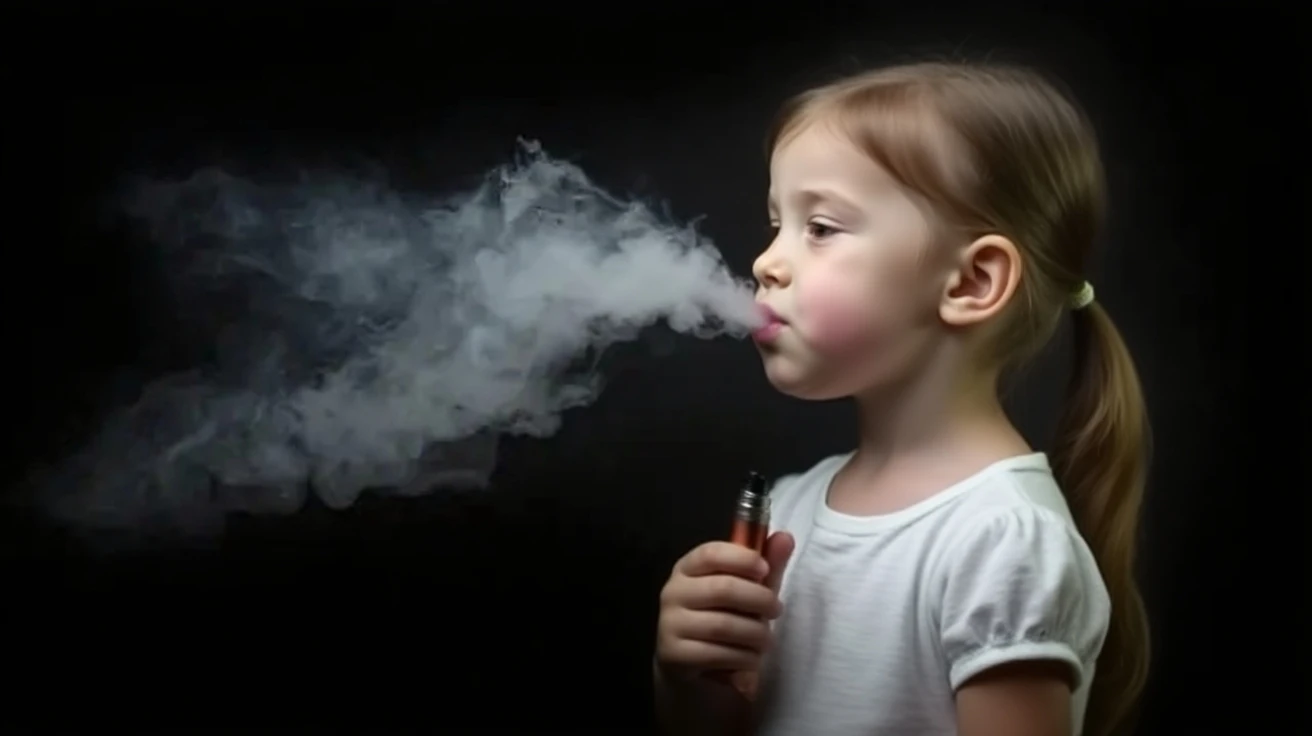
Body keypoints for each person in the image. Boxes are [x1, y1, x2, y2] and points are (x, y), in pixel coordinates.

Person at [653, 61, 1151, 736]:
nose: (766, 262)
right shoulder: (795, 504)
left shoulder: (1001, 542)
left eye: (820, 227)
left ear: (972, 282)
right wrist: (695, 685)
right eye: (777, 223)